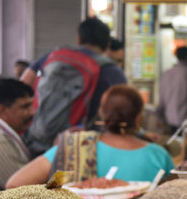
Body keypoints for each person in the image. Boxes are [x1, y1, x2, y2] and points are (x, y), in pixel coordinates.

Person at [8, 84, 174, 187]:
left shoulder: (74, 146)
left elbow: (14, 184)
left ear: (102, 114)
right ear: (138, 117)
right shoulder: (158, 155)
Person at [22, 17, 127, 156]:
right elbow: (123, 112)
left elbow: (23, 84)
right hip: (80, 149)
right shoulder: (111, 71)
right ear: (107, 44)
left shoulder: (53, 56)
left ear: (79, 38)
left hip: (37, 141)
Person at [157, 45, 187, 130]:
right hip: (186, 121)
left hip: (169, 120)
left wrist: (159, 117)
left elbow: (161, 99)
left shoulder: (166, 74)